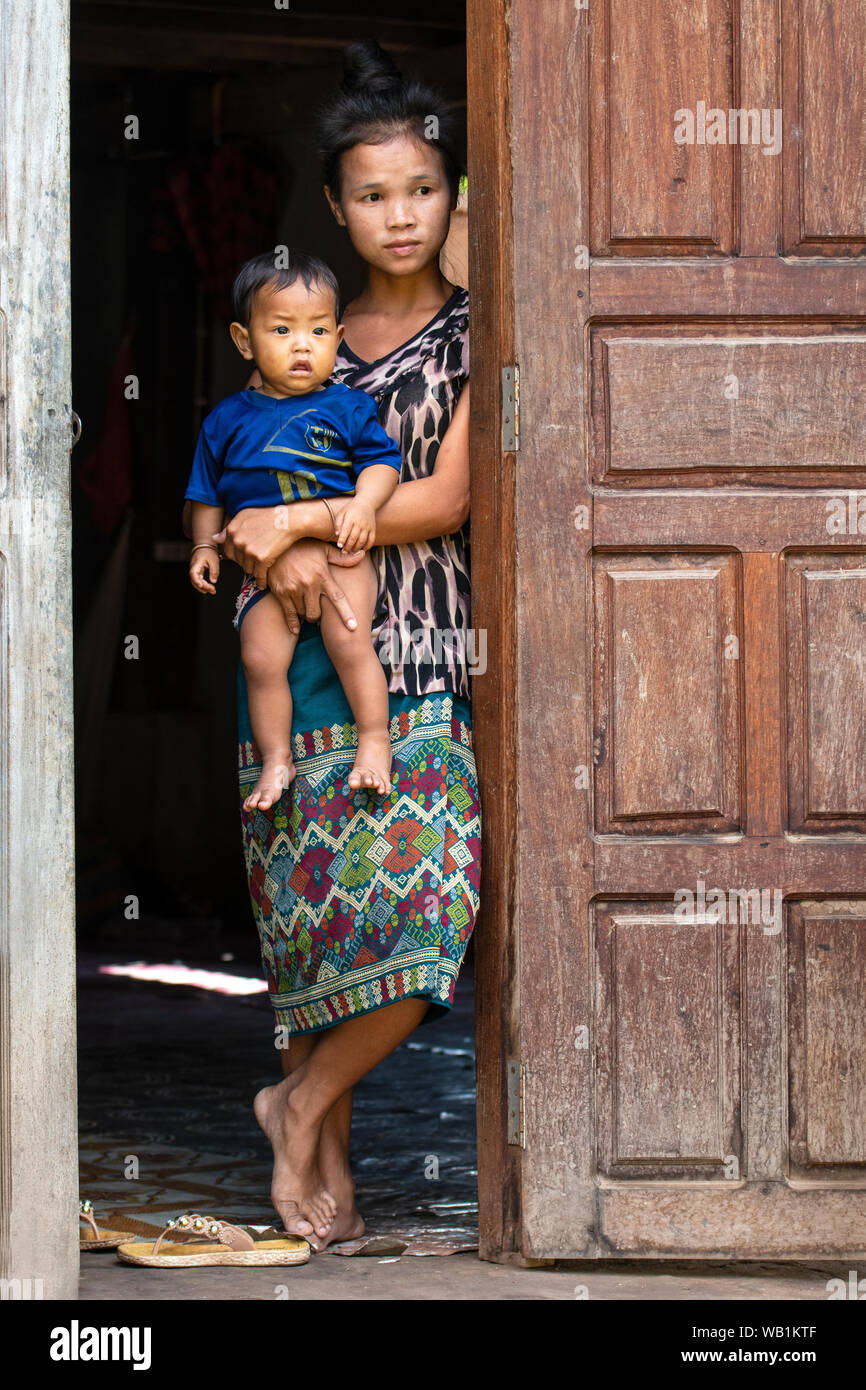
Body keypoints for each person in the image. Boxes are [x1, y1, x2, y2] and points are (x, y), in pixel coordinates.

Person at [216, 38, 481, 1249]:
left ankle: (298, 1099)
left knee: (429, 915)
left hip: (418, 650)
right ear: (332, 205)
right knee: (310, 924)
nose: (399, 216)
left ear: (452, 196)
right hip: (289, 656)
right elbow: (222, 491)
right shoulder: (297, 330)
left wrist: (301, 518)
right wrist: (245, 535)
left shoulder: (478, 329)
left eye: (421, 190)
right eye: (371, 195)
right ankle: (322, 1166)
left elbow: (441, 498)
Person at [185, 251, 403, 810]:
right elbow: (205, 496)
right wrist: (204, 547)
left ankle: (375, 741)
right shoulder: (226, 420)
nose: (302, 345)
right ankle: (276, 759)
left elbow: (382, 464)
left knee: (349, 641)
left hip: (340, 555)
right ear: (243, 340)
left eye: (318, 331)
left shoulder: (348, 406)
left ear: (338, 336)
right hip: (260, 569)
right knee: (260, 660)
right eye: (281, 330)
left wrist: (363, 506)